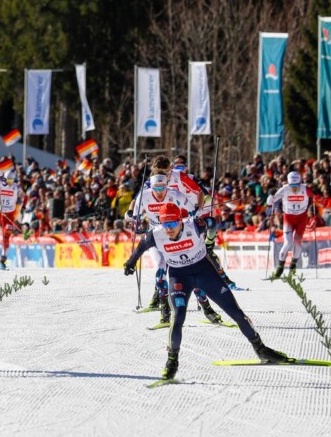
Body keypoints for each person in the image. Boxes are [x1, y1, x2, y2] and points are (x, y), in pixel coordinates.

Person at [123, 203, 287, 380]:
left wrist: (209, 240)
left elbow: (213, 221)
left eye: (172, 224)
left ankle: (260, 349)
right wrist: (130, 264)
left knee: (236, 312)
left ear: (180, 220)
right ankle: (172, 362)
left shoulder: (193, 225)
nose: (168, 229)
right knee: (177, 317)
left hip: (205, 272)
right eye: (165, 225)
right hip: (179, 278)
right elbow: (140, 248)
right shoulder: (155, 235)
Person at [125, 171, 219, 327]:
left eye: (163, 188)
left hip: (175, 232)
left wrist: (194, 213)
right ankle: (165, 313)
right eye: (157, 189)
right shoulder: (145, 194)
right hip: (157, 235)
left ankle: (208, 309)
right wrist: (133, 220)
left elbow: (191, 210)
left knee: (189, 271)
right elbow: (133, 214)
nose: (160, 192)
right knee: (161, 269)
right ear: (151, 187)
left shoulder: (174, 193)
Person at [168, 154, 239, 289]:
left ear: (186, 167)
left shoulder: (191, 178)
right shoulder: (168, 180)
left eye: (182, 165)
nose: (179, 168)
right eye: (176, 166)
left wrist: (200, 206)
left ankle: (223, 277)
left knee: (207, 242)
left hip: (194, 215)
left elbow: (205, 195)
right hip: (178, 219)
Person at [268, 171, 314, 278]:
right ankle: (280, 268)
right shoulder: (284, 189)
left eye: (296, 186)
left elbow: (314, 197)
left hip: (302, 218)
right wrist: (270, 196)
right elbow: (270, 202)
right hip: (288, 217)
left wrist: (313, 192)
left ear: (300, 183)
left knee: (297, 241)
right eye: (292, 186)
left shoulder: (305, 188)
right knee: (288, 242)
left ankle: (293, 266)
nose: (294, 188)